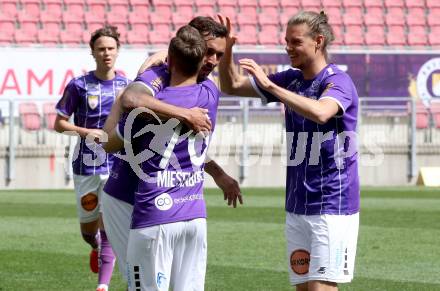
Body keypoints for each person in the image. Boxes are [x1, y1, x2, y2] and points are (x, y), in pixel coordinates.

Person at [218, 11, 360, 291]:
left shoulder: (338, 81)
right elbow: (230, 85)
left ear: (318, 41)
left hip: (331, 203)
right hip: (297, 202)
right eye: (286, 41)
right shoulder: (292, 79)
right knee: (303, 288)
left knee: (321, 287)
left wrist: (271, 86)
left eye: (295, 42)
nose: (287, 47)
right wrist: (226, 52)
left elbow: (321, 112)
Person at [101, 16, 242, 284]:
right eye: (209, 51)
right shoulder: (164, 79)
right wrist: (184, 114)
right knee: (138, 280)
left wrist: (217, 172)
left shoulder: (196, 88)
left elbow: (122, 127)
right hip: (124, 196)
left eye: (219, 55)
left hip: (160, 202)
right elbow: (135, 102)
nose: (211, 60)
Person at [54, 26, 127, 291]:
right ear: (93, 52)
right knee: (88, 231)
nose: (106, 53)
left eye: (111, 48)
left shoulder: (126, 86)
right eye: (101, 49)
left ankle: (102, 286)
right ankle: (94, 246)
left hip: (117, 164)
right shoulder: (79, 85)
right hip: (86, 165)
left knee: (109, 225)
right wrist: (86, 132)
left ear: (118, 51)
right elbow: (59, 123)